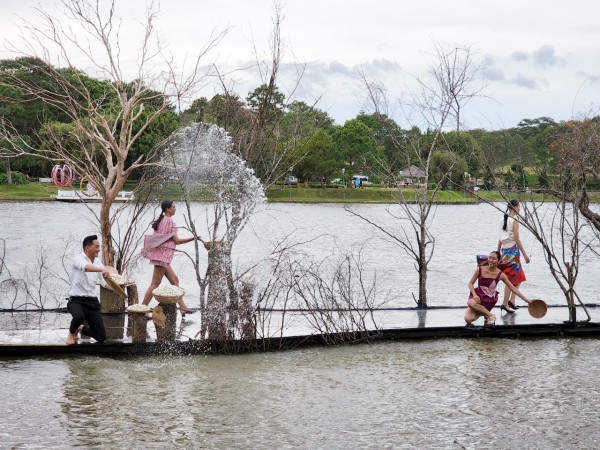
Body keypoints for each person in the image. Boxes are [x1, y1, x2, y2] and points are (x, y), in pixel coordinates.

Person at [141, 200, 198, 314]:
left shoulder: (162, 220)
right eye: (173, 207)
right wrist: (193, 238)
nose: (175, 209)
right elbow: (176, 241)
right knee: (155, 284)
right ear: (167, 209)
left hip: (161, 256)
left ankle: (182, 307)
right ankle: (143, 309)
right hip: (163, 256)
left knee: (174, 280)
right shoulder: (170, 221)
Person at [464, 251, 532, 326]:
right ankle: (488, 314)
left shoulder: (501, 275)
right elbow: (470, 283)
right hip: (477, 297)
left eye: (493, 259)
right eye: (489, 258)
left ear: (498, 261)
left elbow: (513, 288)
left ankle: (487, 314)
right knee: (468, 319)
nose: (491, 260)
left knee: (470, 304)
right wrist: (474, 295)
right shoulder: (479, 269)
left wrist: (527, 300)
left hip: (488, 299)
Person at [66, 235, 112, 345]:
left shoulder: (98, 262)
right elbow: (86, 267)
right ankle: (71, 334)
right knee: (78, 317)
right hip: (76, 300)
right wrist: (103, 269)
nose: (99, 249)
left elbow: (103, 282)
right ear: (87, 248)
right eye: (96, 246)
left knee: (101, 337)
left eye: (99, 247)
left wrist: (115, 288)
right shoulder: (78, 259)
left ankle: (80, 328)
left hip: (92, 302)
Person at [498, 199, 530, 313]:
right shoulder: (514, 221)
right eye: (519, 206)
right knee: (510, 278)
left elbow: (500, 237)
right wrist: (525, 255)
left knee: (519, 275)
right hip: (513, 251)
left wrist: (498, 252)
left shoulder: (503, 218)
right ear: (514, 207)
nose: (520, 208)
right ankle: (505, 303)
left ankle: (512, 300)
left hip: (505, 251)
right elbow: (517, 239)